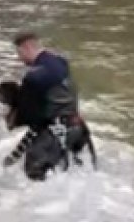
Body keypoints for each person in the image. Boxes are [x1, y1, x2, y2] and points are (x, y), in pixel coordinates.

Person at [11, 32, 81, 180]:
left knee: (33, 171)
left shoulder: (35, 76)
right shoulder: (60, 62)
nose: (19, 58)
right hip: (75, 128)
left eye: (19, 53)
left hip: (55, 132)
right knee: (68, 171)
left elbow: (27, 114)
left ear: (27, 47)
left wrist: (13, 118)